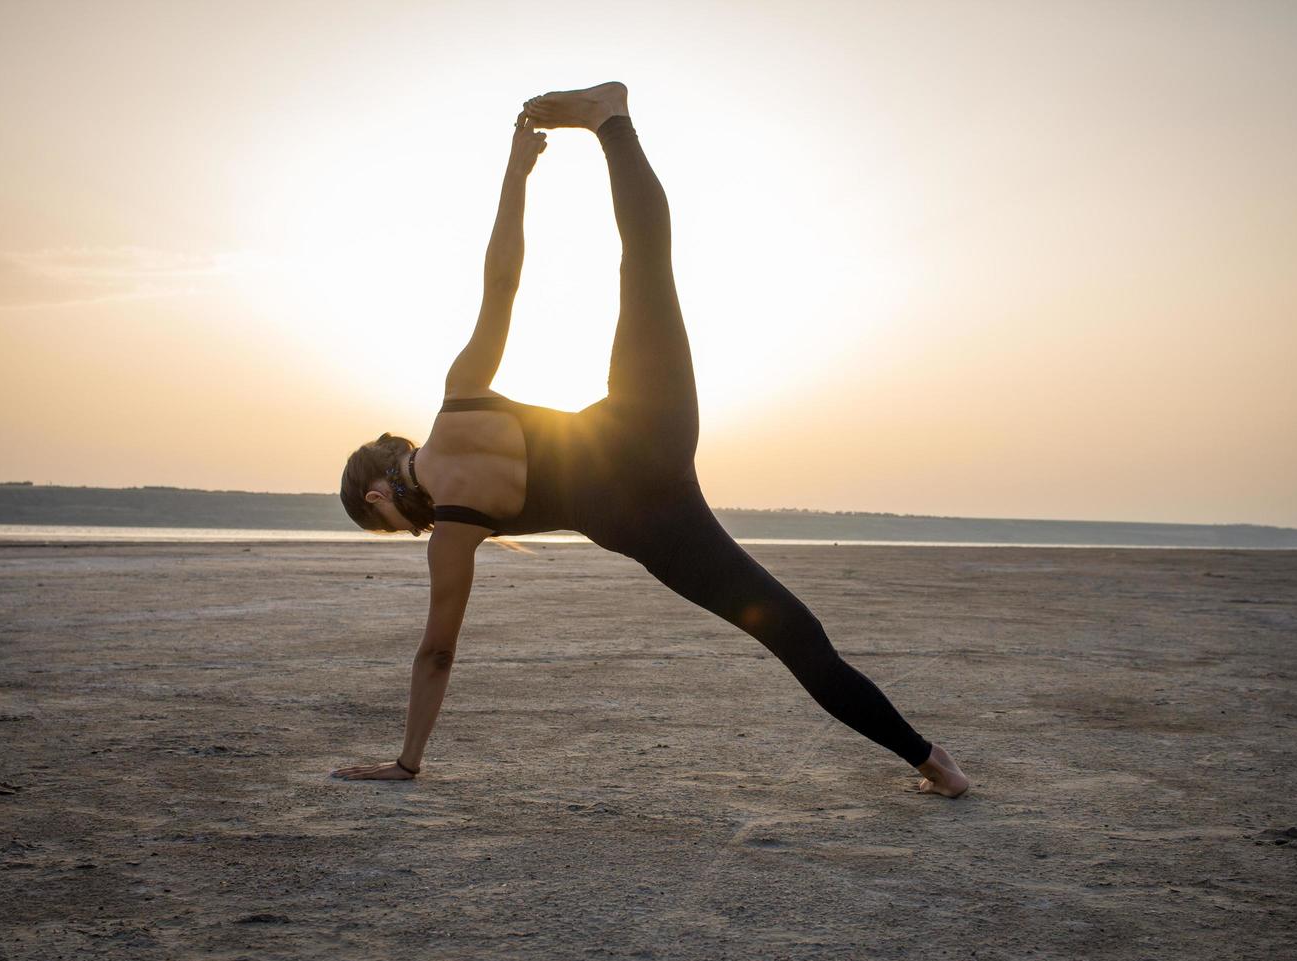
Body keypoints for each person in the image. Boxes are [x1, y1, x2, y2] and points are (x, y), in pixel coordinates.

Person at [332, 83, 968, 798]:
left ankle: (933, 762)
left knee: (789, 633)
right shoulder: (459, 399)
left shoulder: (454, 529)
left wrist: (408, 761)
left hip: (652, 522)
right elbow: (501, 281)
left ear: (378, 492)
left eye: (384, 524)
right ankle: (612, 122)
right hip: (647, 422)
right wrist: (516, 173)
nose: (403, 531)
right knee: (644, 267)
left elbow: (437, 653)